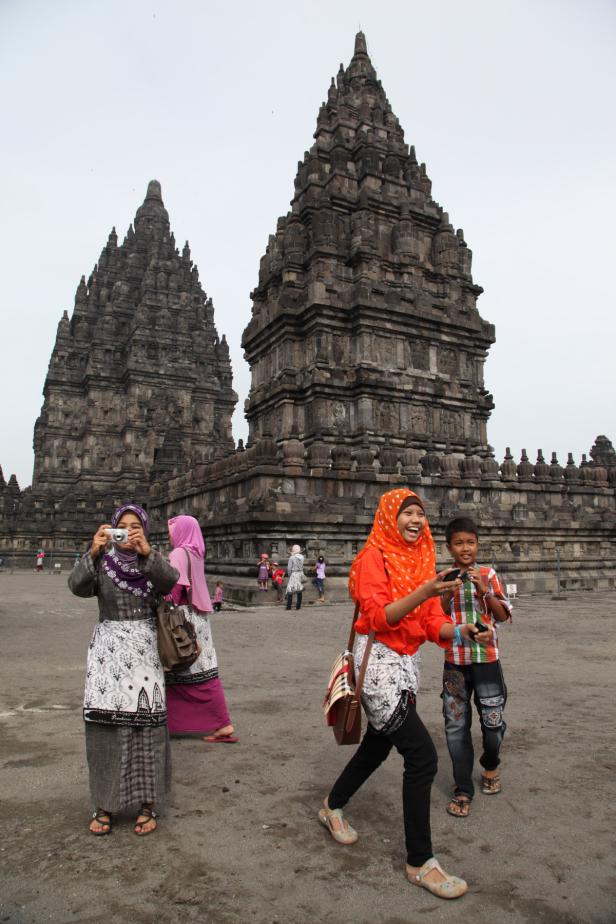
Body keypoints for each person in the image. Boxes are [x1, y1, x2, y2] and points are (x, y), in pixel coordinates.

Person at [319, 488, 487, 900]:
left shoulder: (422, 558)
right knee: (422, 756)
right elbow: (378, 616)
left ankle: (331, 805)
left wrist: (461, 630)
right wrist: (426, 591)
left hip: (407, 665)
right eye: (407, 513)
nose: (415, 521)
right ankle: (420, 862)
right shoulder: (372, 558)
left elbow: (431, 624)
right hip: (377, 667)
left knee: (377, 746)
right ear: (389, 517)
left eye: (420, 515)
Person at [68, 503, 179, 837]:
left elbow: (171, 583)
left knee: (148, 728)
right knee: (105, 728)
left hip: (145, 650)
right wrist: (94, 550)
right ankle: (104, 804)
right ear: (111, 530)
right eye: (122, 527)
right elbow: (76, 586)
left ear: (143, 530)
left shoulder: (151, 560)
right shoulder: (102, 562)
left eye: (135, 527)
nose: (128, 533)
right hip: (109, 654)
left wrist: (147, 554)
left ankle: (148, 803)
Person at [439, 517, 512, 818]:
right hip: (455, 662)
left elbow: (503, 616)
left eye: (470, 542)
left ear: (478, 544)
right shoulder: (443, 576)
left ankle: (490, 763)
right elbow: (437, 615)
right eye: (459, 543)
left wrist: (485, 591)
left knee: (492, 723)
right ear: (449, 547)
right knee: (456, 726)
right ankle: (462, 788)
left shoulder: (488, 573)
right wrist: (447, 589)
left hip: (486, 660)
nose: (465, 548)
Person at [165, 515, 237, 743]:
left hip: (182, 619)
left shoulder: (178, 553)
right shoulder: (196, 552)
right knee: (202, 669)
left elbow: (175, 589)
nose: (169, 534)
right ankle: (217, 722)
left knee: (173, 664)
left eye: (172, 529)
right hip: (199, 619)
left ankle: (222, 723)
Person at [285, 544, 305, 611]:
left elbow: (289, 568)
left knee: (290, 589)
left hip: (294, 574)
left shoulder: (292, 557)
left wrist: (289, 574)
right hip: (300, 574)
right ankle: (298, 606)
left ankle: (288, 606)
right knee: (299, 590)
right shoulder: (302, 557)